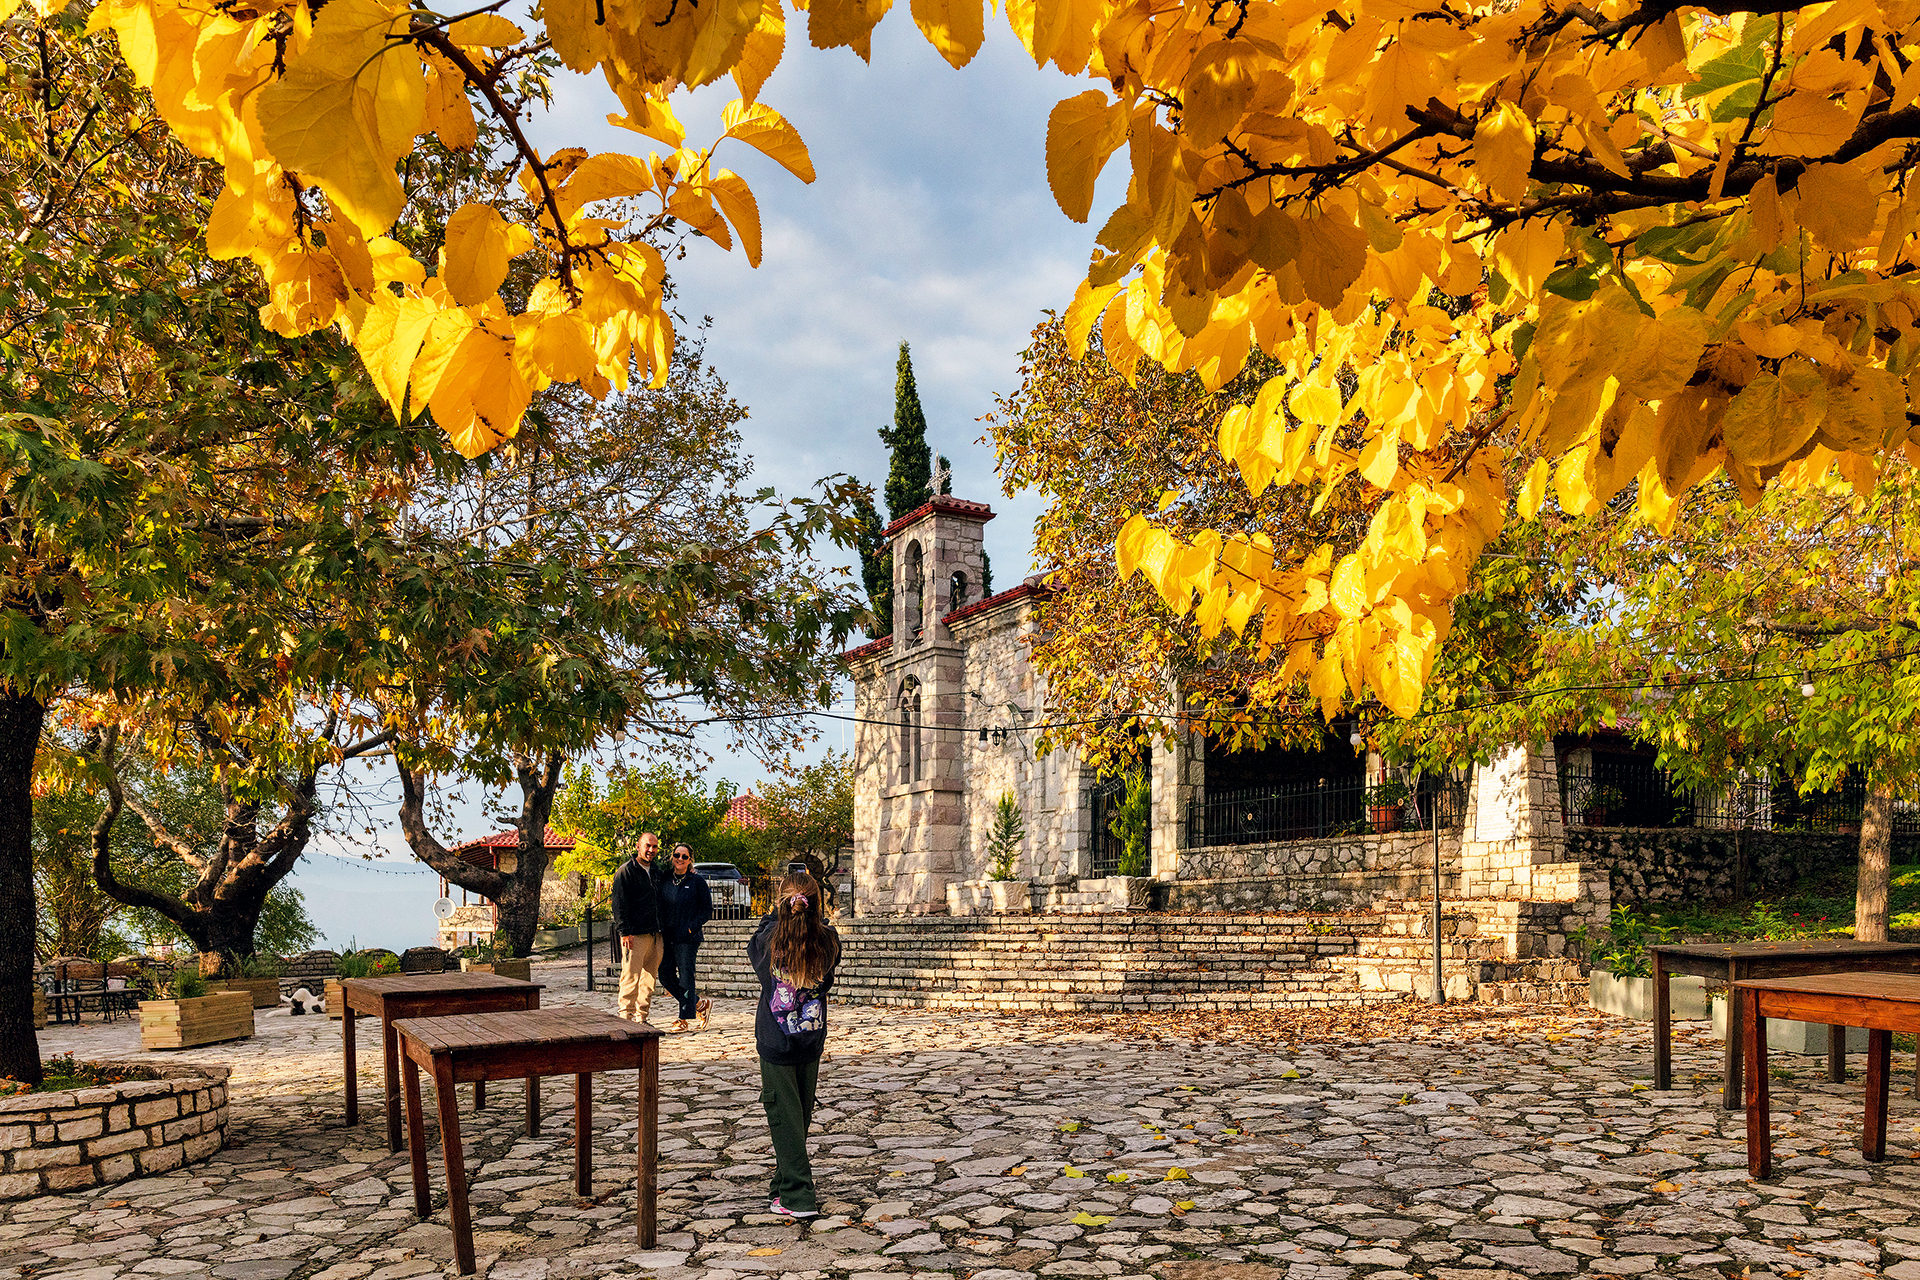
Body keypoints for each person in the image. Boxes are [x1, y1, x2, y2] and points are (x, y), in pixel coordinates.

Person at [748, 869, 840, 1219]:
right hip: (811, 1037)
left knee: (782, 1114)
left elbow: (759, 944)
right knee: (797, 1116)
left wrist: (776, 915)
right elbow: (827, 980)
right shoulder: (829, 941)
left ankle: (798, 1195)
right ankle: (782, 1186)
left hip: (775, 1040)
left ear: (781, 903)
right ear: (816, 904)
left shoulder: (767, 940)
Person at [656, 842, 714, 1032]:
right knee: (665, 976)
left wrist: (691, 928)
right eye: (677, 855)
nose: (680, 859)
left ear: (690, 860)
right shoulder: (665, 878)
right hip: (667, 936)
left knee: (686, 977)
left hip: (687, 938)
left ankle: (683, 1019)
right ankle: (698, 1005)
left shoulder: (696, 881)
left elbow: (707, 910)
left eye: (684, 856)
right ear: (672, 857)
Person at [611, 831, 665, 1022]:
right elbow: (618, 904)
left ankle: (641, 1018)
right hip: (634, 934)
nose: (651, 850)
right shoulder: (626, 871)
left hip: (656, 935)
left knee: (649, 980)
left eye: (654, 846)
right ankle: (626, 1018)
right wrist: (624, 932)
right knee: (630, 978)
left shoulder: (657, 872)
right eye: (647, 845)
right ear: (638, 847)